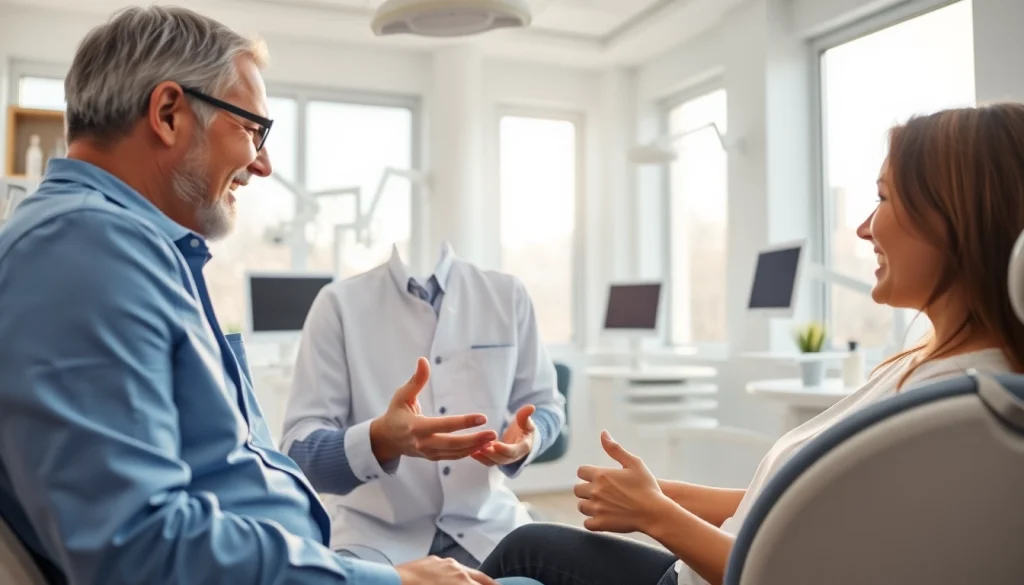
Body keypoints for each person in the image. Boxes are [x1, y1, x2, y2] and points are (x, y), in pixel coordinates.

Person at [0, 6, 520, 584]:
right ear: (168, 113)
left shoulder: (131, 251)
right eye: (252, 130)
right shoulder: (82, 248)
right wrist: (391, 582)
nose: (264, 164)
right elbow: (139, 547)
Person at [480, 103, 1024, 585]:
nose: (863, 228)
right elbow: (796, 513)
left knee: (525, 548)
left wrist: (655, 515)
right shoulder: (930, 369)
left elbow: (802, 573)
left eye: (882, 198)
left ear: (955, 218)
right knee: (529, 543)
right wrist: (657, 494)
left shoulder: (952, 413)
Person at [280, 242, 567, 568]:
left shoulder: (507, 295)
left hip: (488, 526)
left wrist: (531, 435)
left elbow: (547, 404)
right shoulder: (338, 304)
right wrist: (379, 440)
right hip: (371, 538)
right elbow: (297, 452)